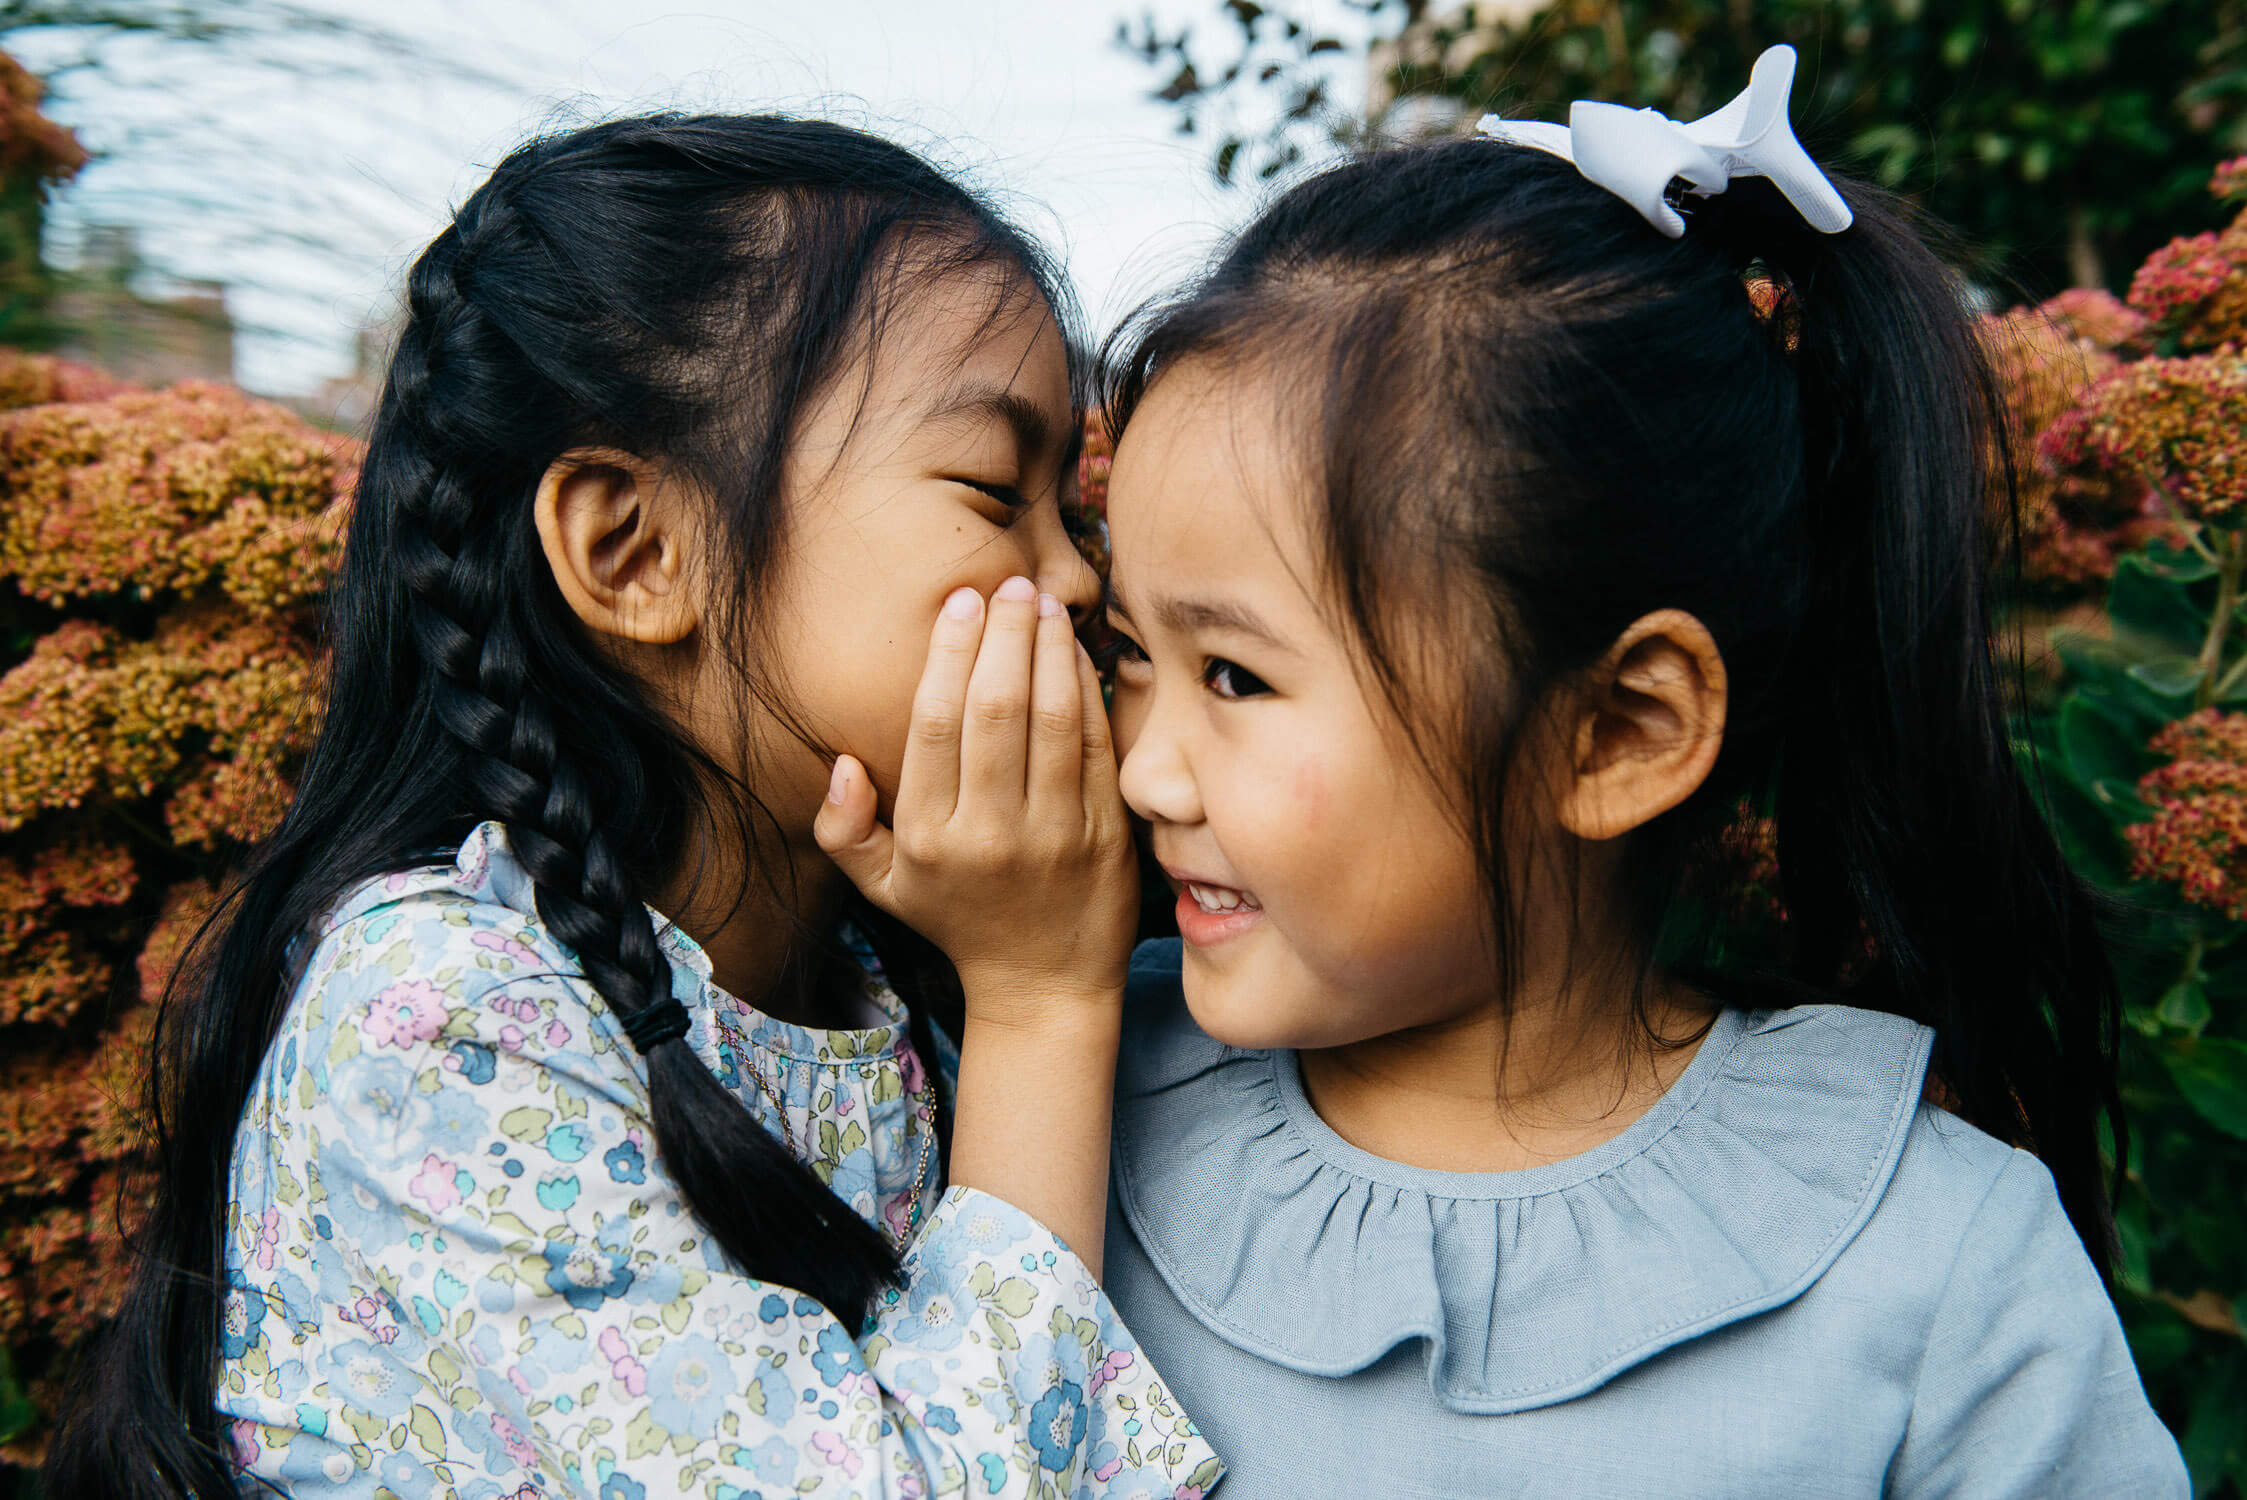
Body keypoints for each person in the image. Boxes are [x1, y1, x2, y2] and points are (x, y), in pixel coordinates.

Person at [47, 114, 1217, 1500]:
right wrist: (1041, 1007)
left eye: (1065, 515)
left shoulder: (864, 978)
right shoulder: (441, 1015)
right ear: (635, 551)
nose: (1075, 584)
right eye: (990, 494)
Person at [1091, 46, 2189, 1498]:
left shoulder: (1934, 1274)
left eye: (1234, 676)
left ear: (1621, 733)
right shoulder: (1060, 1094)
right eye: (1126, 654)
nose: (1146, 768)